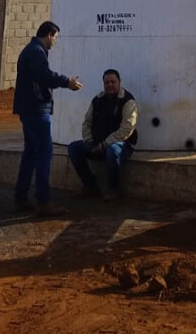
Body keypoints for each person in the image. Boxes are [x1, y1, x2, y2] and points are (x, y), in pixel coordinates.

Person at [12, 21, 83, 216]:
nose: (55, 42)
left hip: (29, 109)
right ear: (50, 34)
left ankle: (21, 198)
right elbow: (45, 76)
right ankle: (43, 202)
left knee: (30, 154)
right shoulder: (36, 52)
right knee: (44, 154)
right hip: (37, 109)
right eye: (56, 38)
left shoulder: (32, 50)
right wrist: (67, 82)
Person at [67, 68, 139, 201]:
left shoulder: (128, 101)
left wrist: (105, 144)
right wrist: (89, 142)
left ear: (119, 82)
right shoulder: (97, 100)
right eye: (107, 82)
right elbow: (87, 123)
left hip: (121, 145)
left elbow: (127, 128)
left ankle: (113, 189)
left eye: (113, 82)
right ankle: (90, 186)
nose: (110, 85)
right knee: (73, 148)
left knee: (112, 151)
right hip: (97, 143)